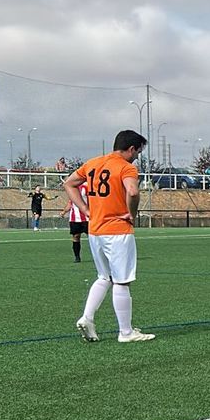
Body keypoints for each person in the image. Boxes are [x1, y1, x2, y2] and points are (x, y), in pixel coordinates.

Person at [65, 129, 154, 343]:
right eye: (137, 152)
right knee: (122, 281)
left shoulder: (93, 163)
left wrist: (85, 209)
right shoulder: (126, 167)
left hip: (95, 230)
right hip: (117, 230)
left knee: (104, 277)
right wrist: (131, 214)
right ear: (131, 149)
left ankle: (87, 317)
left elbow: (69, 183)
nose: (136, 157)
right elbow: (133, 191)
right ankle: (126, 332)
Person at [65, 180, 89, 262]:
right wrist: (64, 211)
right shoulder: (71, 188)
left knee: (92, 237)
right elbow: (70, 203)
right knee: (76, 236)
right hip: (74, 218)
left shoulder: (86, 186)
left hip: (87, 217)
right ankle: (77, 257)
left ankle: (98, 256)